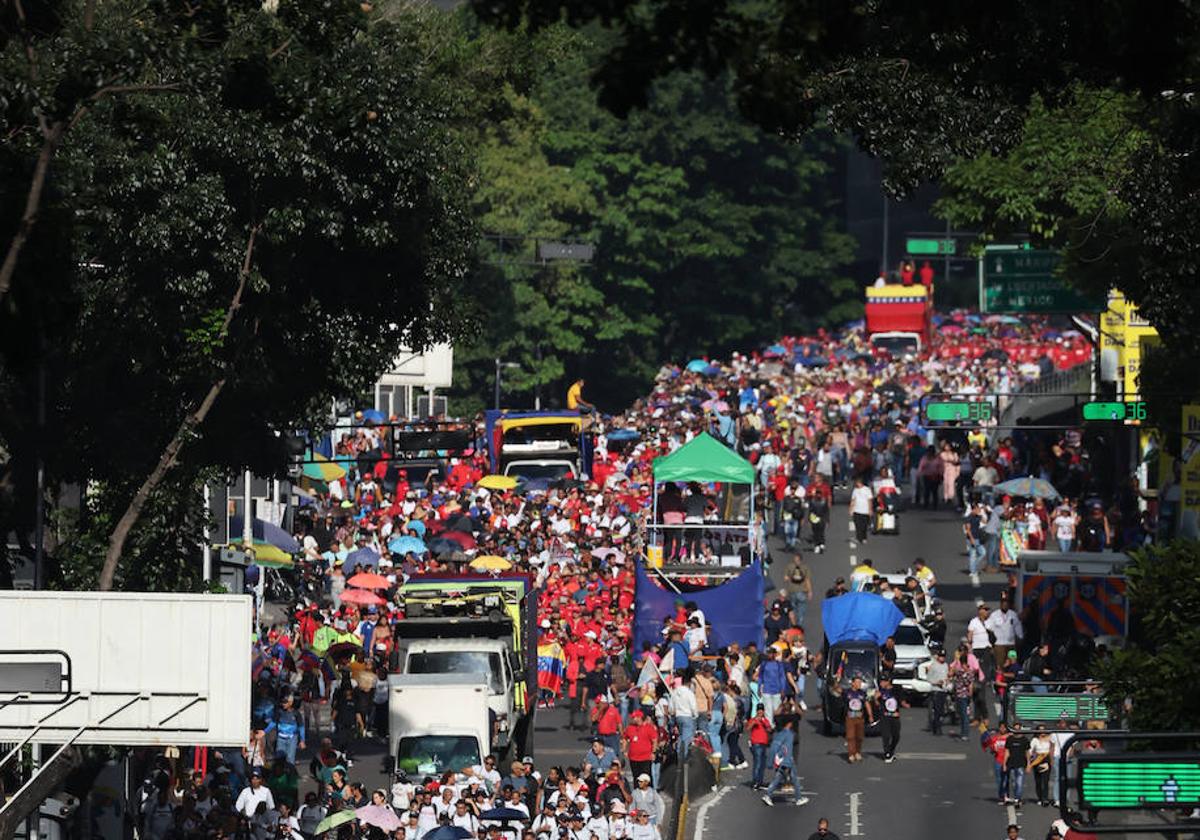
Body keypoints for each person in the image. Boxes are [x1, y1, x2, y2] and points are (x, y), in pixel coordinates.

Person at [760, 714, 809, 807]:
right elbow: (787, 749)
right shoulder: (789, 735)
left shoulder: (779, 734)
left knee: (790, 778)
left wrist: (771, 761)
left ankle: (798, 798)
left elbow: (774, 747)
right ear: (789, 723)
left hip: (782, 760)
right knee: (784, 778)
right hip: (787, 761)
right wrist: (787, 762)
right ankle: (797, 798)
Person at [844, 675, 872, 762]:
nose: (859, 684)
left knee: (859, 736)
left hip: (860, 717)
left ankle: (857, 752)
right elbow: (837, 691)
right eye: (857, 682)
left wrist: (870, 715)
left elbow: (867, 704)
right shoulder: (847, 692)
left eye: (860, 682)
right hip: (850, 717)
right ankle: (851, 754)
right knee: (850, 736)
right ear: (852, 683)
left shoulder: (862, 693)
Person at [876, 675, 902, 762]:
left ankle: (891, 750)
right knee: (886, 735)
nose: (881, 683)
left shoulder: (896, 690)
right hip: (885, 716)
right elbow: (877, 703)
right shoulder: (881, 691)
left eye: (883, 681)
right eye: (880, 682)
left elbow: (900, 701)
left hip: (894, 716)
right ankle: (887, 753)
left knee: (896, 736)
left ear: (888, 681)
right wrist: (875, 698)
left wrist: (904, 704)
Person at [747, 704, 773, 789]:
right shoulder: (753, 719)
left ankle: (760, 781)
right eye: (759, 710)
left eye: (762, 710)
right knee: (757, 762)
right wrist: (755, 722)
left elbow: (769, 730)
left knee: (762, 763)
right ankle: (755, 781)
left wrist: (764, 723)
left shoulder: (765, 720)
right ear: (757, 711)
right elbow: (748, 728)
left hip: (764, 744)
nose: (760, 712)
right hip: (756, 744)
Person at [1005, 726, 1030, 807]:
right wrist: (1004, 764)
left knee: (1019, 783)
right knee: (1013, 782)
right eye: (1015, 728)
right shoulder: (1009, 739)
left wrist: (1028, 764)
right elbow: (1007, 752)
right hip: (1011, 764)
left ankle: (1017, 798)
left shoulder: (1024, 740)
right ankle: (1016, 796)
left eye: (1018, 728)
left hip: (1021, 764)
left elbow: (1027, 753)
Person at [1029, 727, 1055, 807]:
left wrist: (1051, 760)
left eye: (1044, 729)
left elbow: (1052, 748)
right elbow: (1030, 751)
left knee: (1045, 780)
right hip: (1037, 760)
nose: (1042, 731)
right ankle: (1040, 797)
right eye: (1040, 730)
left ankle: (1045, 798)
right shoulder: (1034, 740)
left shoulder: (1049, 739)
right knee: (1038, 781)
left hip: (1046, 760)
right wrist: (1031, 759)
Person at [848, 477, 873, 546]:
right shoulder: (855, 490)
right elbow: (853, 500)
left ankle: (864, 538)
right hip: (857, 510)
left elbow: (869, 500)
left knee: (864, 526)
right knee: (858, 525)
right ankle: (859, 538)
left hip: (865, 511)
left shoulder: (867, 490)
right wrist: (851, 509)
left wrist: (870, 509)